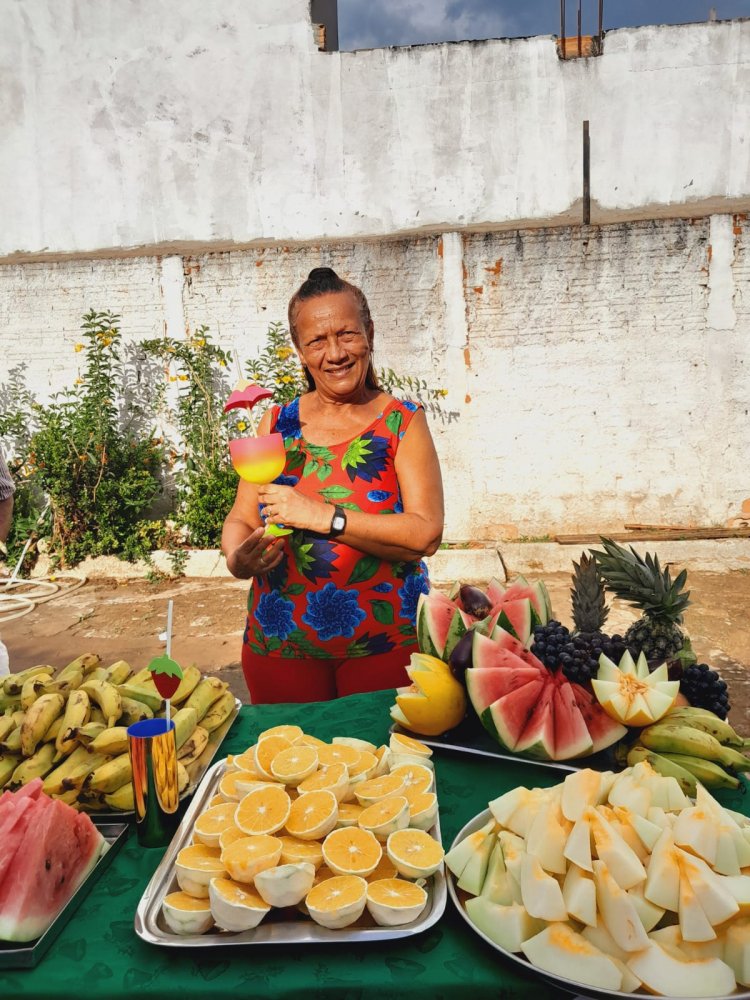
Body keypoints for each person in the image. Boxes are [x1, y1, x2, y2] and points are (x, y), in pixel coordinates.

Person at [222, 267, 444, 704]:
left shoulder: (401, 422)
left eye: (347, 334)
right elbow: (242, 516)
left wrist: (326, 516)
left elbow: (426, 533)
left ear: (370, 333)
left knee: (385, 767)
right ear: (300, 351)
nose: (335, 353)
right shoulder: (277, 421)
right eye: (317, 341)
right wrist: (237, 559)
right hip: (280, 645)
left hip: (388, 646)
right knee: (288, 767)